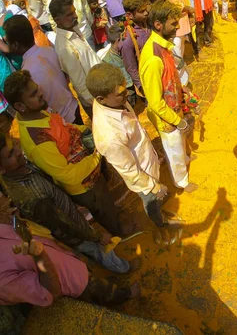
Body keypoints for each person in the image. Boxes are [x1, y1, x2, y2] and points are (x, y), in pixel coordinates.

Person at [4, 70, 125, 237]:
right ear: (20, 106)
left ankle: (111, 212)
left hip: (90, 170)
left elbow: (65, 127)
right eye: (33, 93)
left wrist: (86, 130)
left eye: (37, 88)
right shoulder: (36, 141)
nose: (40, 93)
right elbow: (67, 175)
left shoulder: (38, 111)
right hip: (84, 185)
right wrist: (97, 155)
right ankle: (121, 231)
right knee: (103, 209)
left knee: (105, 203)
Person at [0, 134, 134, 274]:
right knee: (98, 250)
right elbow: (63, 224)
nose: (17, 151)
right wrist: (97, 237)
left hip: (70, 218)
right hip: (73, 231)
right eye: (10, 154)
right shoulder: (32, 196)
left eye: (14, 145)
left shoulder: (18, 168)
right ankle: (123, 268)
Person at [87, 63, 179, 238]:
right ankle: (160, 223)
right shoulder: (109, 136)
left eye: (125, 90)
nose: (127, 95)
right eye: (120, 94)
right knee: (151, 201)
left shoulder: (113, 101)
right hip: (142, 176)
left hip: (146, 161)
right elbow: (130, 171)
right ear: (101, 99)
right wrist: (154, 186)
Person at [0, 224, 139, 307]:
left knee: (94, 279)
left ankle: (107, 286)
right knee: (101, 291)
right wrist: (39, 255)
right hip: (72, 281)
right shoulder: (3, 283)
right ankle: (126, 295)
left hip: (69, 261)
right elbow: (45, 295)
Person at [139, 0, 198, 193]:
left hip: (174, 108)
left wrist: (183, 90)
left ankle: (185, 158)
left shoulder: (162, 47)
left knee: (179, 142)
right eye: (173, 24)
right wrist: (177, 121)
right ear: (158, 24)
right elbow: (155, 102)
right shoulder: (153, 59)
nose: (178, 28)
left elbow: (170, 75)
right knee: (174, 150)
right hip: (166, 116)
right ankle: (181, 181)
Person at [2, 15, 82, 125]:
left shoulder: (27, 73)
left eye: (8, 42)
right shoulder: (49, 50)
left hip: (62, 122)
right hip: (73, 107)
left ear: (15, 45)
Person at [48, 0, 100, 118]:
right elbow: (79, 83)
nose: (75, 16)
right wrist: (96, 104)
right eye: (69, 15)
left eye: (74, 12)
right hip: (95, 99)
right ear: (57, 20)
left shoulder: (74, 29)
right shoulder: (64, 47)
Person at [121, 0, 151, 97]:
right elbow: (131, 67)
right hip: (146, 79)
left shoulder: (148, 23)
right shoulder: (128, 39)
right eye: (142, 11)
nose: (146, 13)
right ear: (129, 15)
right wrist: (141, 87)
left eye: (146, 9)